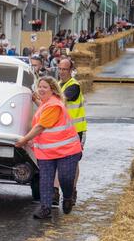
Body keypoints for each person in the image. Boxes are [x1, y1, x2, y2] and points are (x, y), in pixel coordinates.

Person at [15, 76, 82, 219]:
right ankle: (45, 208)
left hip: (66, 151)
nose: (41, 89)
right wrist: (36, 100)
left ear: (52, 89)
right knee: (45, 180)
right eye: (39, 86)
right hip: (46, 151)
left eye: (45, 87)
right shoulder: (45, 104)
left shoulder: (54, 105)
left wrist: (24, 140)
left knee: (65, 178)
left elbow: (40, 126)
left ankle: (68, 197)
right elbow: (42, 111)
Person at [52, 59, 87, 207]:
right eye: (59, 69)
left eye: (64, 69)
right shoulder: (59, 85)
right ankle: (55, 191)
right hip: (61, 130)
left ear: (70, 70)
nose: (61, 72)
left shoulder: (74, 86)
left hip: (76, 130)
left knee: (73, 162)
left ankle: (72, 190)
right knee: (57, 159)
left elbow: (62, 99)